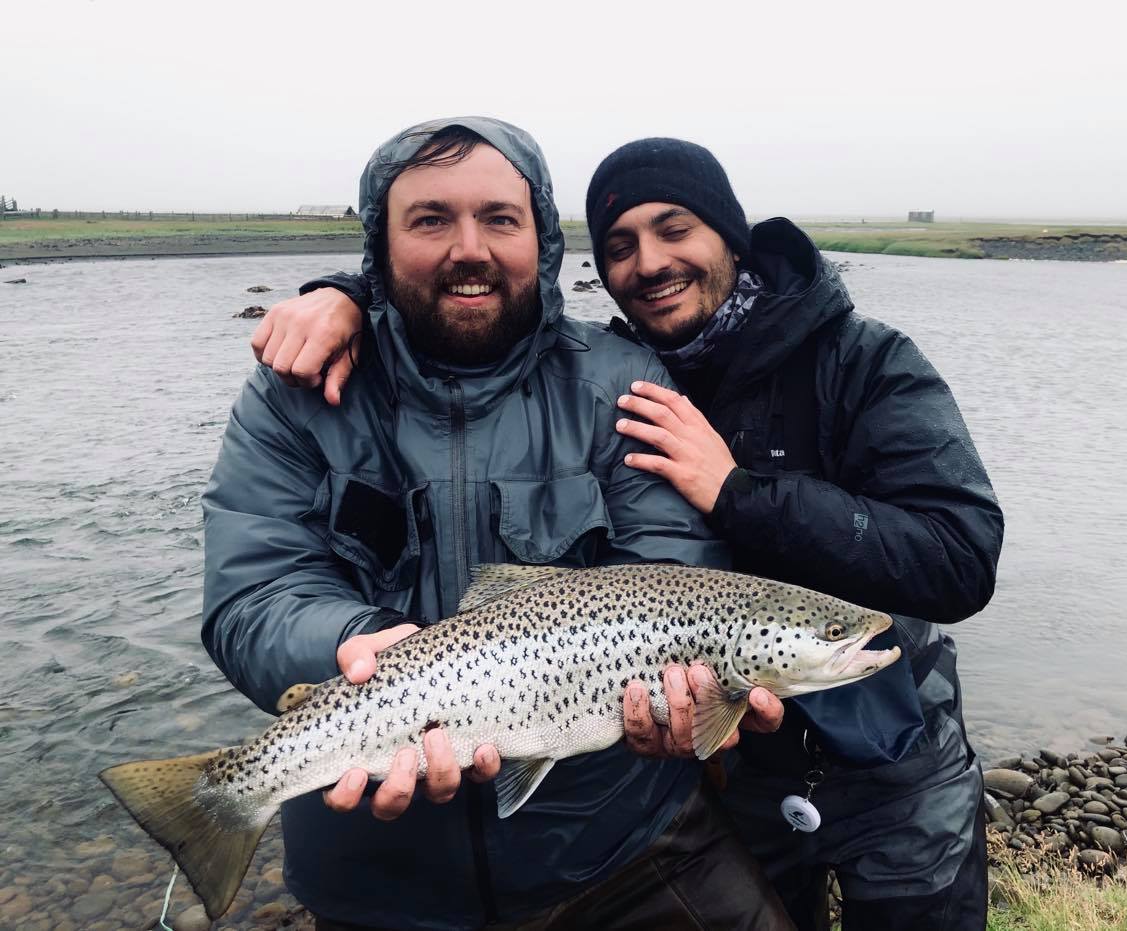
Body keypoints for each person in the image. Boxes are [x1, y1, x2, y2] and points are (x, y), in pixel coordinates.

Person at [257, 138, 1004, 931]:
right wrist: (349, 295)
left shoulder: (865, 362)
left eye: (675, 229)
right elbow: (468, 303)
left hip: (897, 772)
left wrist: (738, 493)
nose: (648, 262)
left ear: (729, 235)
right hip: (732, 779)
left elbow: (960, 560)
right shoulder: (626, 370)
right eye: (619, 246)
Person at [203, 117, 794, 931]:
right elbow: (251, 594)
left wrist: (685, 703)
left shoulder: (624, 381)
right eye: (431, 219)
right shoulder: (293, 390)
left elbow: (672, 570)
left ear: (542, 241)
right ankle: (215, 805)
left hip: (624, 848)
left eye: (500, 219)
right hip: (377, 876)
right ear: (379, 247)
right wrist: (354, 643)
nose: (469, 248)